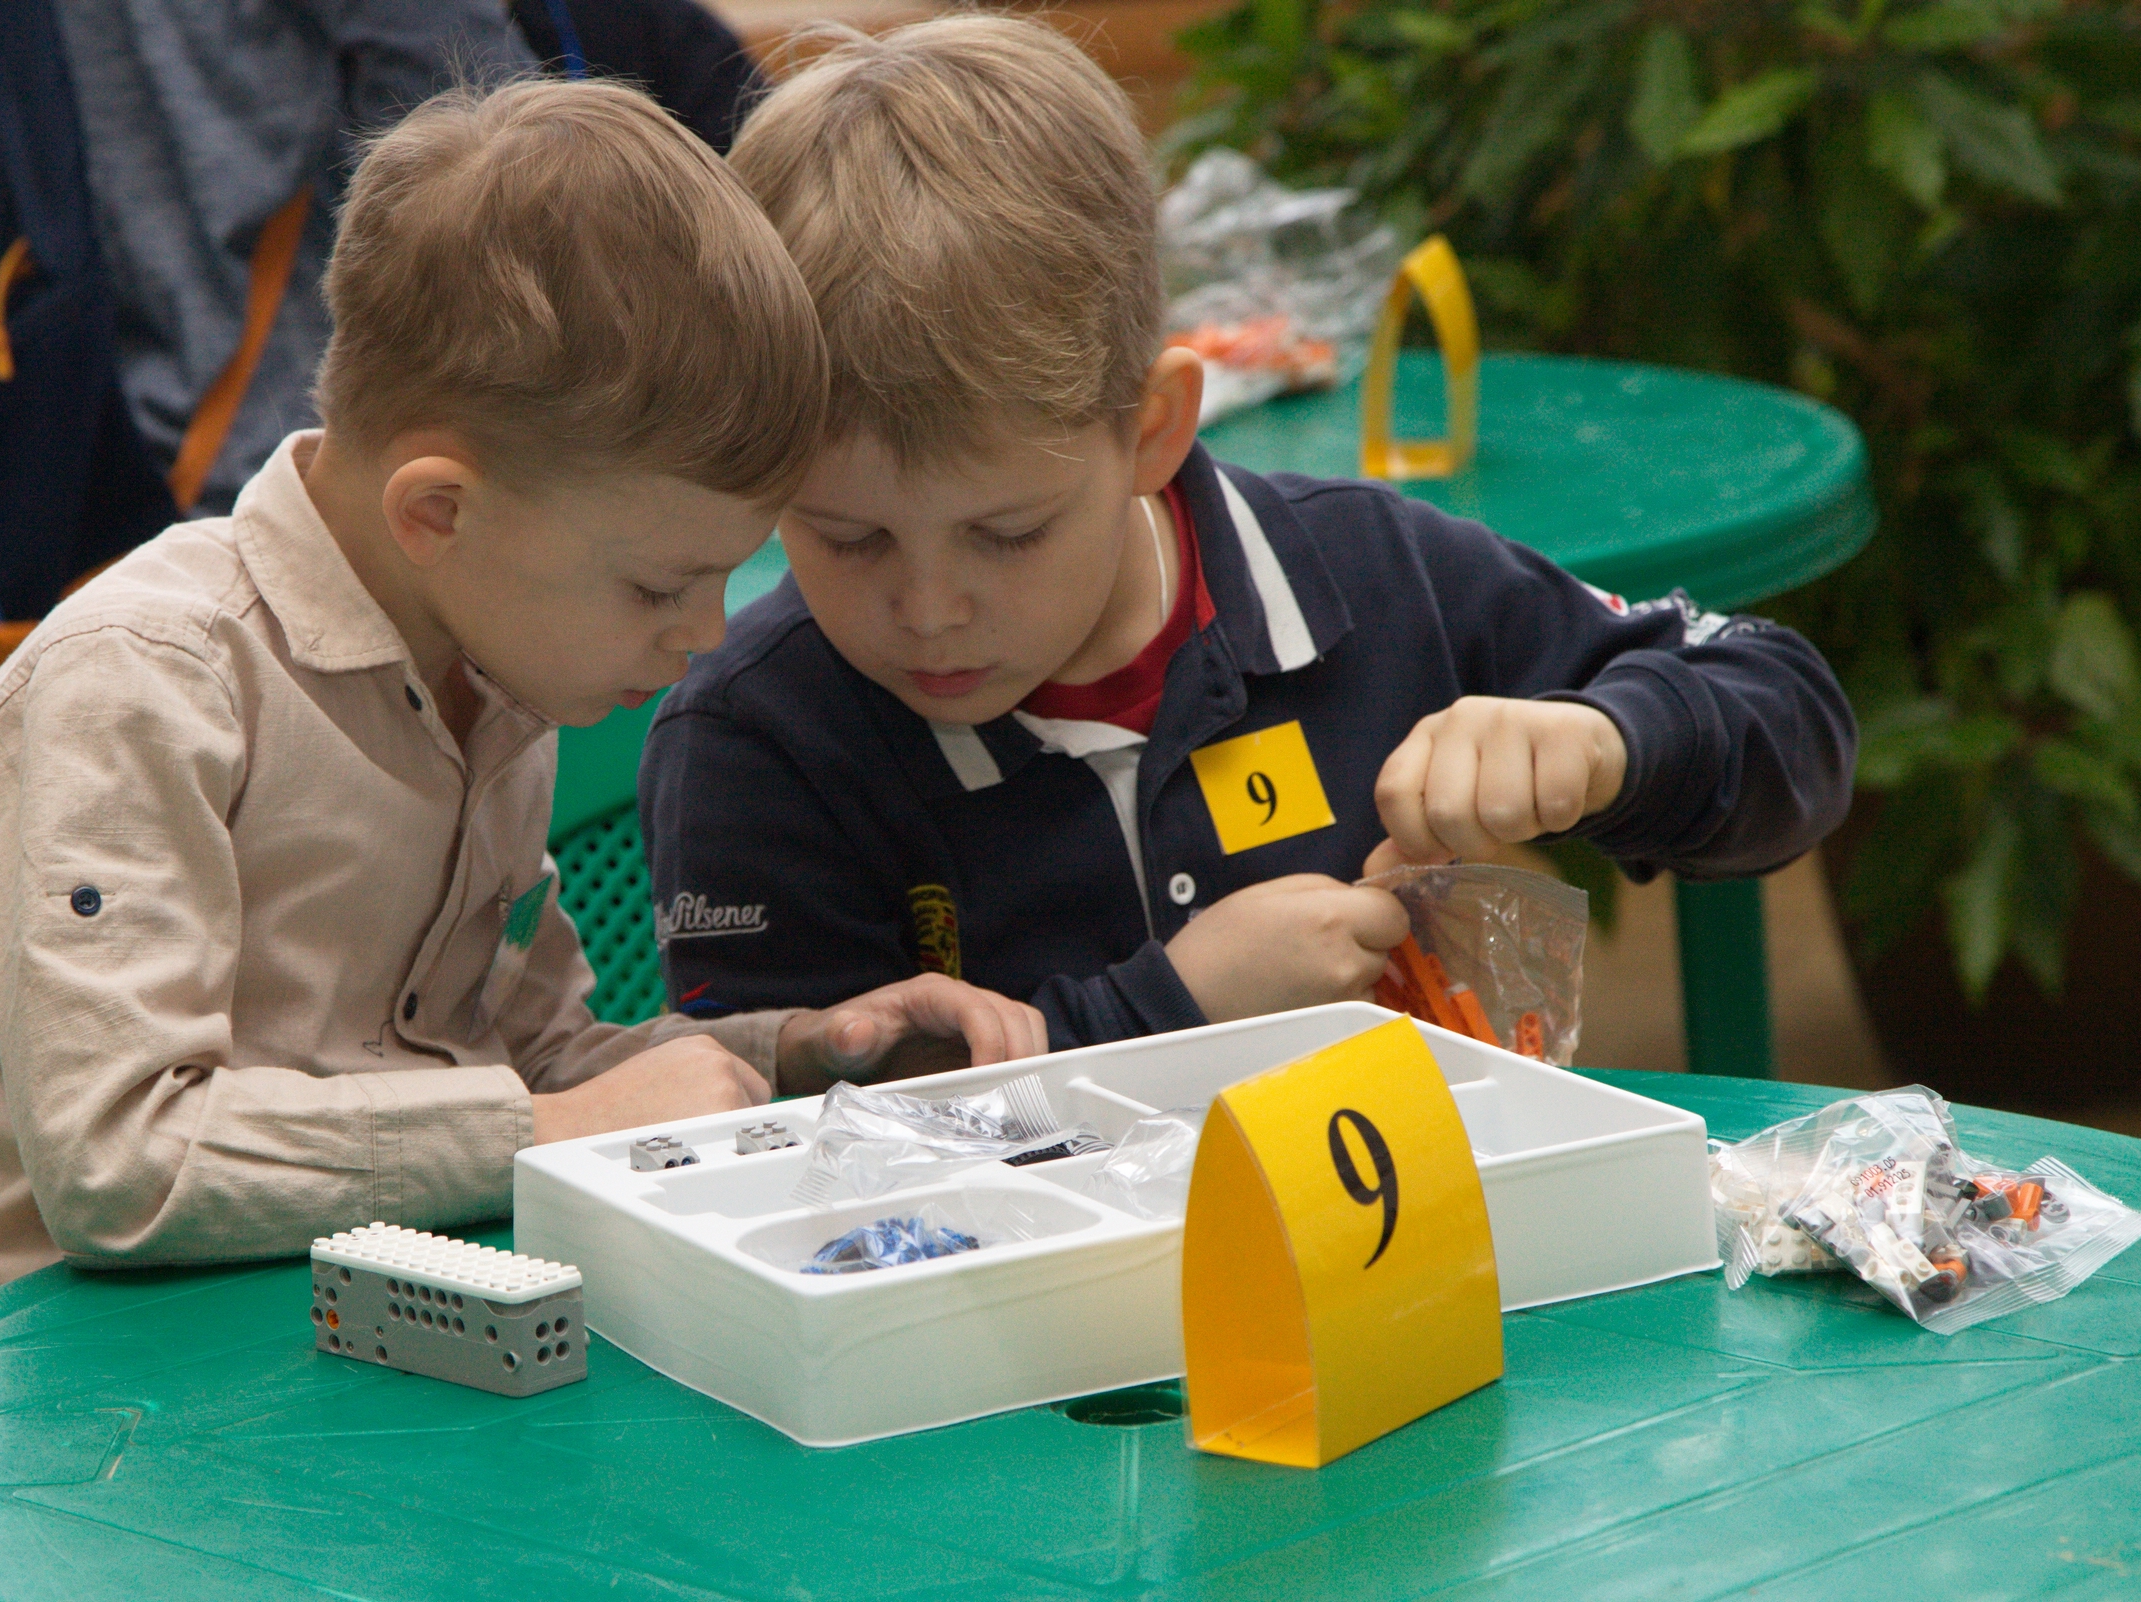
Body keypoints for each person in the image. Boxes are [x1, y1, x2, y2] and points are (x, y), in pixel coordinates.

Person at [0, 79, 1046, 1319]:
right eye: (662, 583)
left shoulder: (494, 664)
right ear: (436, 513)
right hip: (81, 1410)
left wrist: (797, 1059)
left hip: (360, 1350)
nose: (708, 633)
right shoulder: (142, 681)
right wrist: (541, 1125)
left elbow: (540, 1058)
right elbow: (120, 1161)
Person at [640, 17, 1856, 1050]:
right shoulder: (761, 739)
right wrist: (1173, 1009)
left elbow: (1787, 723)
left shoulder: (1367, 576)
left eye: (1007, 533)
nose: (929, 606)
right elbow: (776, 1153)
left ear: (1153, 427)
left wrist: (1607, 737)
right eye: (846, 537)